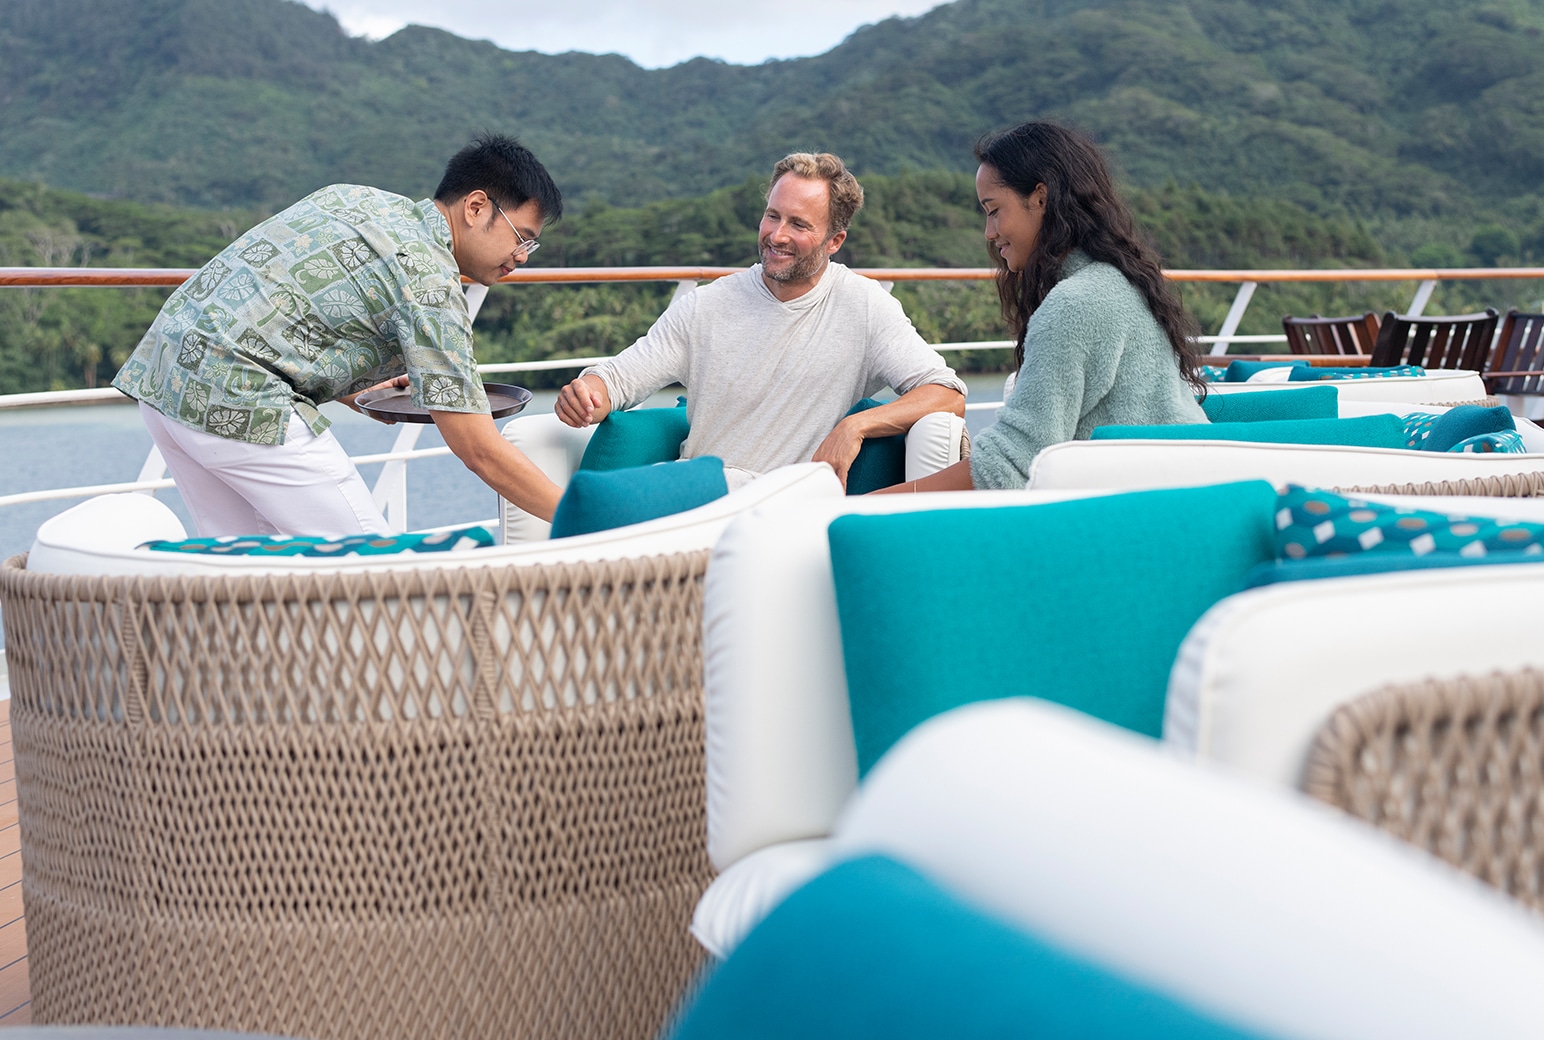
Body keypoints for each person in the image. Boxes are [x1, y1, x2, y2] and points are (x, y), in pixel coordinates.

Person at [112, 133, 568, 537]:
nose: (523, 257)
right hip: (239, 393)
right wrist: (583, 516)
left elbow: (285, 306)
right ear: (475, 207)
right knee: (372, 569)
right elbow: (478, 448)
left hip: (168, 374)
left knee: (248, 576)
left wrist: (360, 390)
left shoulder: (353, 198)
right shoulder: (429, 280)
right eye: (521, 238)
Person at [553, 152, 966, 489]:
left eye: (799, 224)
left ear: (835, 241)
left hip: (783, 506)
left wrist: (854, 427)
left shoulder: (865, 306)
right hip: (699, 489)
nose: (777, 235)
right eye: (773, 216)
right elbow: (622, 378)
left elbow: (947, 394)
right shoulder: (706, 305)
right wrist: (590, 390)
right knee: (601, 523)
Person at [878, 121, 1207, 494]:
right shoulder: (1120, 281)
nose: (989, 232)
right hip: (1185, 491)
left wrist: (863, 505)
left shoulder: (1076, 305)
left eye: (994, 210)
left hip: (1144, 510)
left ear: (1040, 198)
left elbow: (1011, 465)